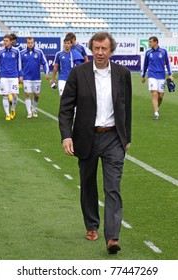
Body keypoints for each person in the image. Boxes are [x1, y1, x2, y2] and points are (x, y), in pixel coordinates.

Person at [58, 32, 132, 254]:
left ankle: (112, 238)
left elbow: (126, 107)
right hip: (86, 137)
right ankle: (91, 225)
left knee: (112, 188)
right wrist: (67, 135)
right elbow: (65, 109)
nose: (100, 52)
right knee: (88, 184)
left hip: (113, 139)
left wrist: (126, 137)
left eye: (104, 49)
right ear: (91, 49)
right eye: (96, 48)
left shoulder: (123, 74)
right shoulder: (78, 73)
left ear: (111, 51)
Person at [141, 36, 173, 120]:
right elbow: (145, 64)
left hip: (161, 75)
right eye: (149, 42)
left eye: (151, 42)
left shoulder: (163, 51)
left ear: (156, 42)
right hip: (151, 75)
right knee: (154, 93)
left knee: (161, 95)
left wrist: (170, 74)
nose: (149, 43)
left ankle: (156, 108)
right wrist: (143, 75)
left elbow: (168, 64)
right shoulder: (148, 52)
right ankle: (156, 113)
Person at [20, 37, 49, 118]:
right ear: (26, 43)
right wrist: (21, 75)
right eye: (28, 42)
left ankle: (34, 109)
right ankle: (29, 112)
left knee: (36, 95)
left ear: (34, 43)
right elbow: (19, 65)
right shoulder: (22, 53)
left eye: (31, 42)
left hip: (36, 78)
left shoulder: (39, 52)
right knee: (27, 94)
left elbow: (44, 63)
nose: (30, 44)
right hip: (26, 78)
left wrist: (46, 72)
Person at [0, 34, 22, 121]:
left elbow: (19, 64)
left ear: (11, 42)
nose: (5, 42)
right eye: (4, 41)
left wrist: (20, 75)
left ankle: (13, 109)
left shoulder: (16, 51)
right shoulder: (0, 51)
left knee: (15, 95)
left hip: (14, 76)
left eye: (6, 41)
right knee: (5, 95)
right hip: (4, 76)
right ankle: (7, 114)